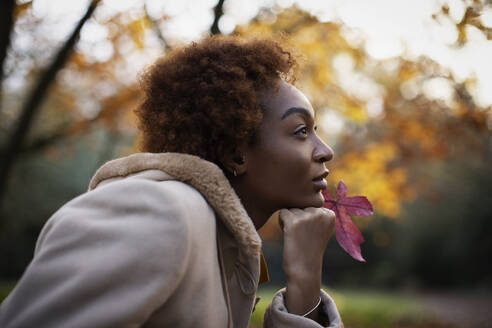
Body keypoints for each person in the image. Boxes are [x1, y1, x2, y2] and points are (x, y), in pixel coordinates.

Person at [0, 36, 343, 327]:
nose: (325, 151)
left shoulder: (224, 249)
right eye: (301, 131)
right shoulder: (159, 212)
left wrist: (305, 278)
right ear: (237, 153)